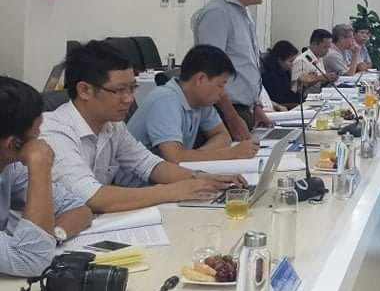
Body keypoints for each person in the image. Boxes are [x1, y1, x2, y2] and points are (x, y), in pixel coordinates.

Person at [41, 41, 243, 214]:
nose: (129, 99)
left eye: (132, 88)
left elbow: (150, 165)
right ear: (85, 90)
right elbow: (93, 197)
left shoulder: (113, 126)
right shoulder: (55, 132)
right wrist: (174, 190)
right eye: (120, 90)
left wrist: (204, 178)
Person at [0, 77, 92, 276]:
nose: (41, 141)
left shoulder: (8, 167)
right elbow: (31, 261)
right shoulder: (19, 160)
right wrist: (39, 164)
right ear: (13, 144)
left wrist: (52, 236)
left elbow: (79, 208)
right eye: (36, 136)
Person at [127, 45, 259, 163]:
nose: (223, 93)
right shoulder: (165, 100)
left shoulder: (201, 102)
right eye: (220, 85)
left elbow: (223, 136)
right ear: (201, 79)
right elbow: (175, 158)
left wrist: (195, 156)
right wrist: (230, 153)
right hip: (138, 181)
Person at [192, 0, 270, 140]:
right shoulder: (217, 13)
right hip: (225, 111)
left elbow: (246, 64)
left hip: (245, 110)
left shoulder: (243, 13)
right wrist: (232, 118)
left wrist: (256, 106)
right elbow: (211, 72)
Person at [260, 40, 302, 108]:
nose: (293, 64)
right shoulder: (270, 76)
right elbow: (278, 100)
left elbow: (292, 96)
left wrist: (297, 83)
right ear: (279, 60)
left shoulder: (285, 72)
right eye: (290, 61)